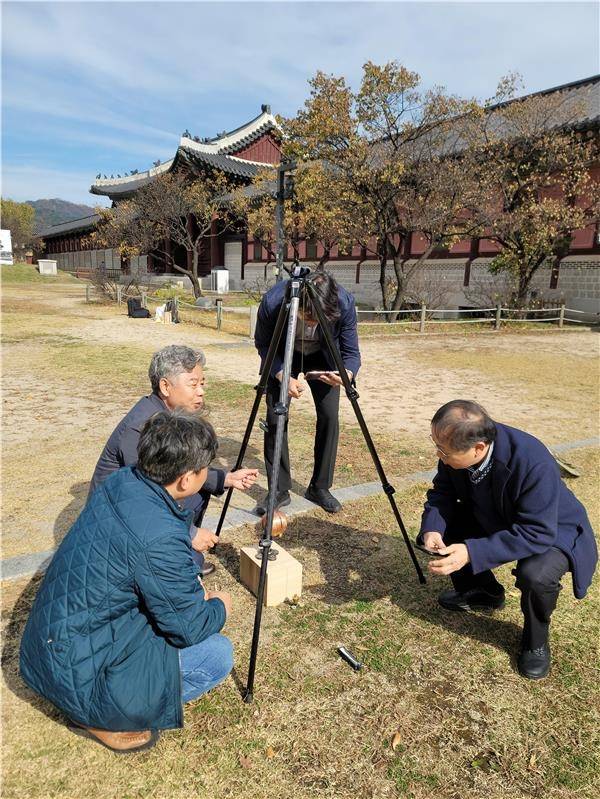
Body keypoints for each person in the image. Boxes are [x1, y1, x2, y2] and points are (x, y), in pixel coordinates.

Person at [20, 412, 234, 753]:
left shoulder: (125, 480)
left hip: (49, 648)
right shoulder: (159, 538)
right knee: (217, 654)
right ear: (184, 480)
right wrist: (220, 605)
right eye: (205, 467)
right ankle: (105, 717)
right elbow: (189, 627)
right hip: (77, 675)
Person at [418, 400, 597, 679]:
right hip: (498, 512)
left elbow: (537, 532)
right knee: (448, 523)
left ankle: (536, 641)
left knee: (536, 575)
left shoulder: (532, 460)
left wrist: (471, 552)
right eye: (435, 445)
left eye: (444, 451)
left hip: (551, 527)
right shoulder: (459, 447)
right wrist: (433, 529)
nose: (439, 455)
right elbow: (442, 492)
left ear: (478, 448)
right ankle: (484, 593)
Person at [90, 344, 258, 576]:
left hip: (138, 511)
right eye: (193, 384)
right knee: (189, 561)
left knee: (197, 490)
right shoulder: (141, 429)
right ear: (165, 387)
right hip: (117, 521)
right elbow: (143, 497)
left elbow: (182, 472)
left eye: (202, 384)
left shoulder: (167, 417)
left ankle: (181, 550)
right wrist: (190, 533)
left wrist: (226, 478)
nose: (201, 391)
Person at [254, 270, 361, 515]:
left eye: (319, 319)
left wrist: (346, 374)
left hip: (324, 359)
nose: (312, 323)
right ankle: (279, 489)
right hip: (283, 355)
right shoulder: (274, 301)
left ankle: (320, 487)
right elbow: (263, 344)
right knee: (275, 418)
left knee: (330, 417)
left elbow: (351, 352)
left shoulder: (344, 303)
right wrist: (282, 374)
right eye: (308, 316)